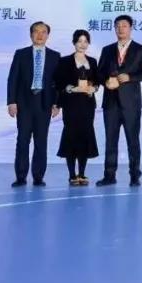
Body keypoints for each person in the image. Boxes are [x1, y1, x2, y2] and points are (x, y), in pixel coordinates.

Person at [95, 15, 142, 187]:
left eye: (124, 26)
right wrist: (105, 81)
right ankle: (109, 175)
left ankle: (135, 175)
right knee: (110, 140)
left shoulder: (140, 50)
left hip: (131, 104)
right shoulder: (107, 50)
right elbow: (99, 73)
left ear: (130, 28)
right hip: (110, 102)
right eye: (117, 26)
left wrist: (130, 77)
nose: (121, 29)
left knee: (132, 141)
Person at [6, 21, 60, 187]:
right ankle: (21, 177)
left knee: (41, 142)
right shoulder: (21, 54)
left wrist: (57, 104)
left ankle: (38, 177)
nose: (40, 35)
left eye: (43, 32)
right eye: (36, 31)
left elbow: (58, 83)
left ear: (48, 35)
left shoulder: (55, 56)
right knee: (22, 141)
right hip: (24, 104)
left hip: (45, 104)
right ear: (31, 34)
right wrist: (11, 102)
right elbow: (13, 79)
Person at [55, 30, 100, 186]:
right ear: (74, 42)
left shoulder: (92, 61)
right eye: (79, 41)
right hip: (71, 105)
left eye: (85, 41)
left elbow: (97, 81)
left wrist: (94, 88)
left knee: (85, 136)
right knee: (71, 136)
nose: (82, 44)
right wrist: (72, 89)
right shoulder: (65, 61)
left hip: (87, 105)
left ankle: (82, 173)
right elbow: (59, 82)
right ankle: (72, 174)